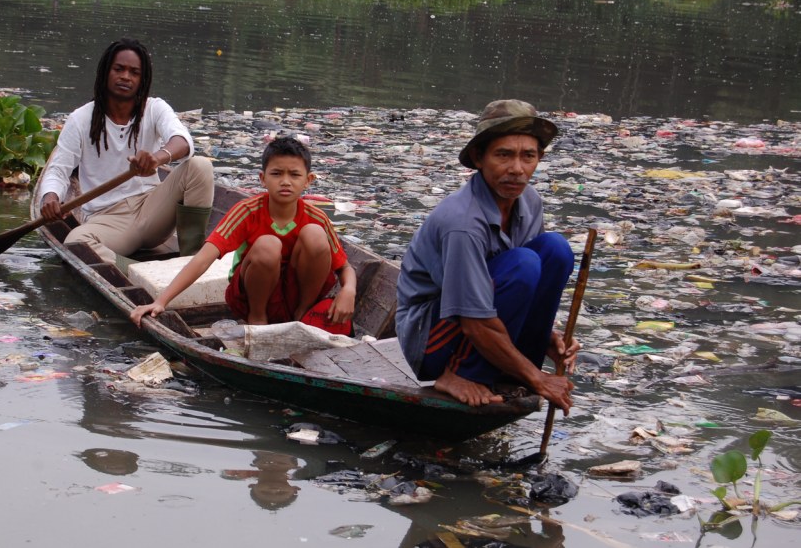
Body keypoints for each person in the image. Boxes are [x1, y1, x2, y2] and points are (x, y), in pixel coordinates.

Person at [396, 99, 579, 412]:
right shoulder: (463, 223)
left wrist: (547, 337)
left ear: (539, 159)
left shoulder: (529, 201)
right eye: (503, 155)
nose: (517, 169)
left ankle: (509, 366)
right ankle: (457, 374)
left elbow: (523, 288)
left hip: (481, 319)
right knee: (523, 263)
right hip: (430, 337)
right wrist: (538, 380)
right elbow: (474, 320)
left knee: (555, 250)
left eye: (528, 157)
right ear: (480, 158)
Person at [130, 136, 356, 331]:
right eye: (276, 173)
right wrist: (161, 301)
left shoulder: (316, 217)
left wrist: (348, 290)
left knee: (315, 235)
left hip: (296, 295)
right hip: (253, 298)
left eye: (294, 175)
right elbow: (203, 258)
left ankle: (302, 314)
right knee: (268, 244)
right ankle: (257, 319)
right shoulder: (247, 211)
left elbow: (344, 267)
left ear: (308, 181)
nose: (285, 181)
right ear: (262, 178)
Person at [38, 38, 214, 264]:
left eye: (134, 72)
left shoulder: (154, 108)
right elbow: (58, 171)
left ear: (142, 80)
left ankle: (192, 261)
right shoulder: (80, 119)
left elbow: (182, 141)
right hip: (108, 220)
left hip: (152, 209)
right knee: (77, 243)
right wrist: (50, 196)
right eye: (119, 69)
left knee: (200, 166)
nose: (125, 77)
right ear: (105, 73)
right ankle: (134, 273)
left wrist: (156, 159)